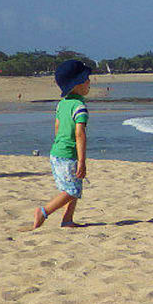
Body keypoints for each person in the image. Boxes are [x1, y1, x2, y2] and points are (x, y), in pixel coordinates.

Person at [31, 60, 92, 229]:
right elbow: (79, 134)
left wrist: (59, 144)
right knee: (72, 190)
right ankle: (43, 211)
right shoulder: (79, 107)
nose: (89, 82)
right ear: (77, 84)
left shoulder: (62, 104)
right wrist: (82, 161)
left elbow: (57, 127)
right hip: (68, 154)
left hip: (57, 152)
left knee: (73, 186)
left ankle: (67, 219)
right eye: (86, 79)